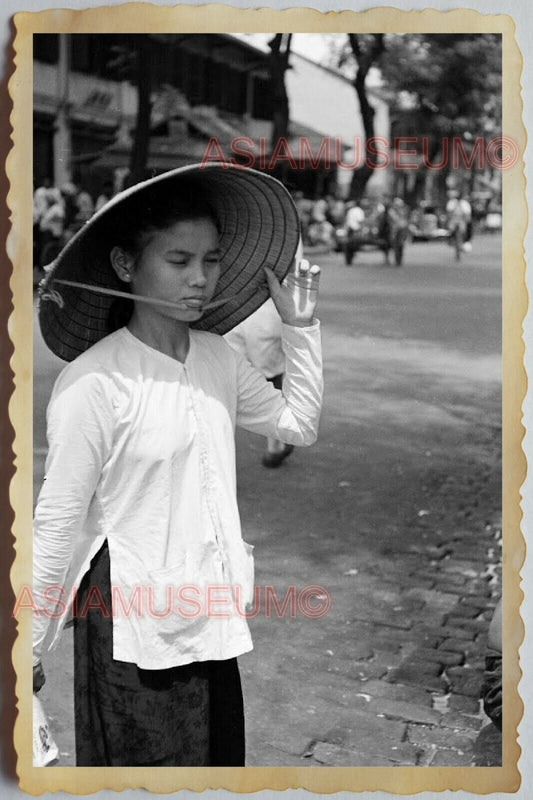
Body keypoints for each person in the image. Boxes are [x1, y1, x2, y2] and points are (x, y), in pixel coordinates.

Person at [33, 162, 323, 767]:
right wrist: (27, 646)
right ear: (124, 266)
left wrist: (299, 328)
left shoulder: (218, 356)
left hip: (207, 606)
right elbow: (58, 521)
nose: (200, 279)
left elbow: (297, 424)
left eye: (211, 261)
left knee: (216, 765)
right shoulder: (95, 383)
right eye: (179, 261)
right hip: (131, 620)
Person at [224, 298, 295, 468]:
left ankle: (276, 444)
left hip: (240, 309)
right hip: (257, 309)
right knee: (266, 380)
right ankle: (277, 444)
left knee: (232, 381)